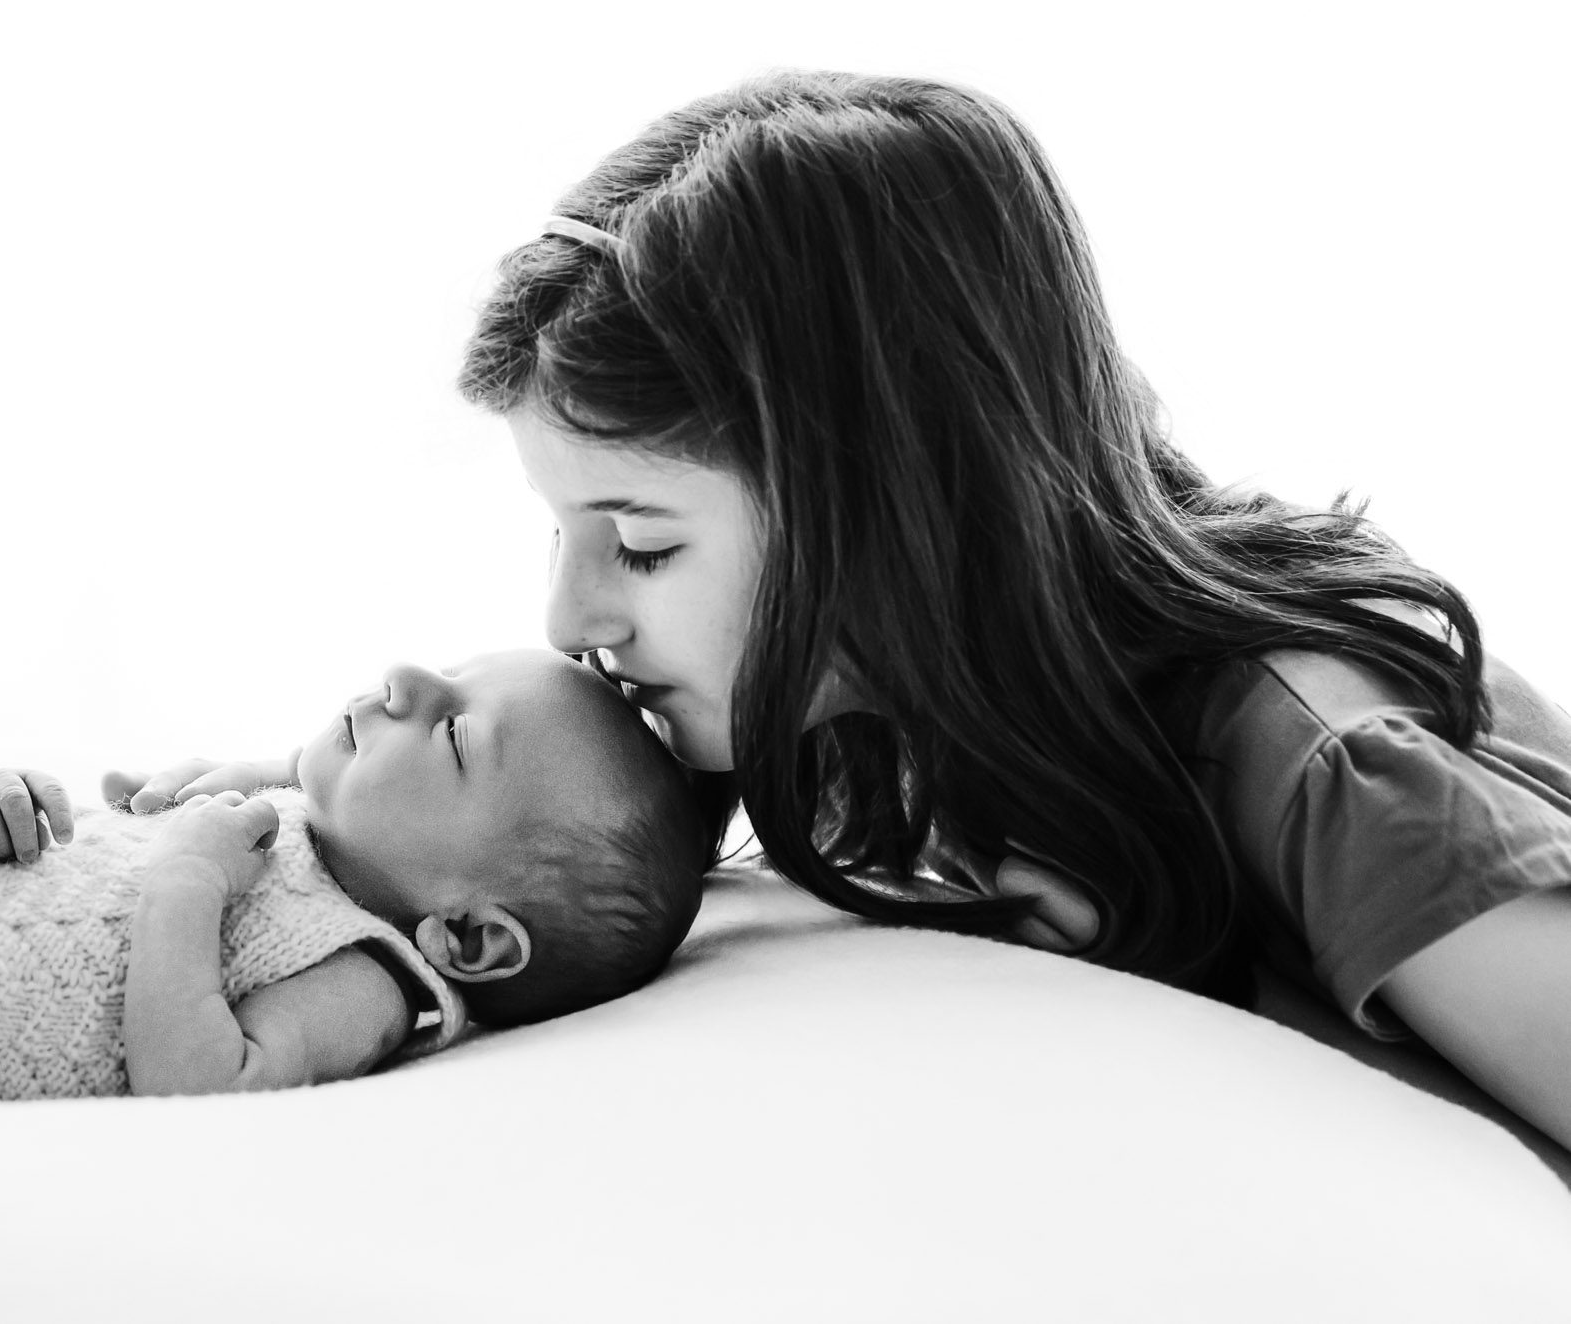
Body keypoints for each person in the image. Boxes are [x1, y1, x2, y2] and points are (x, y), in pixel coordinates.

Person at [446, 69, 1571, 1152]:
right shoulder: (882, 728)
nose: (566, 614)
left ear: (899, 503)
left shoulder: (1327, 772)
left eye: (642, 544)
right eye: (561, 530)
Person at [0, 490, 707, 1102]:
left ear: (468, 933)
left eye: (456, 729)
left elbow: (202, 1080)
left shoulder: (370, 975)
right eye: (450, 671)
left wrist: (187, 883)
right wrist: (14, 813)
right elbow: (85, 850)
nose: (409, 681)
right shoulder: (285, 812)